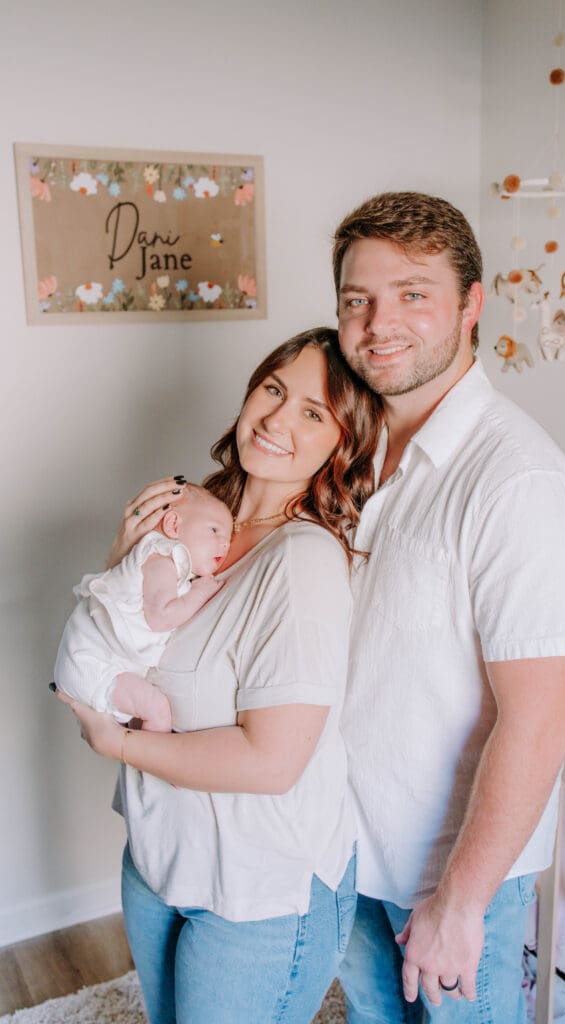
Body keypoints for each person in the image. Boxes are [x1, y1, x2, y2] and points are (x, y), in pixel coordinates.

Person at [54, 326, 383, 1024]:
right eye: (273, 389)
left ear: (342, 444)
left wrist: (118, 744)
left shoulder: (301, 562)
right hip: (160, 857)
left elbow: (271, 762)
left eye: (312, 412)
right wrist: (121, 561)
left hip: (259, 893)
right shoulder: (203, 519)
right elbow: (125, 643)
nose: (275, 418)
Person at [331, 192, 565, 1023]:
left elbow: (541, 721)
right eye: (356, 299)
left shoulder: (517, 482)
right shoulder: (361, 447)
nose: (378, 324)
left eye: (412, 293)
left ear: (470, 304)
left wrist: (460, 901)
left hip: (445, 871)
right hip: (350, 843)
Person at [54, 484, 231, 732]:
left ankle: (138, 745)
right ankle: (150, 751)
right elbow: (160, 617)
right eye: (214, 530)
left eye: (228, 538)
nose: (224, 544)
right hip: (94, 665)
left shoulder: (166, 564)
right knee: (157, 710)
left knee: (140, 716)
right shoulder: (162, 558)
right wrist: (200, 593)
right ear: (173, 525)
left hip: (99, 663)